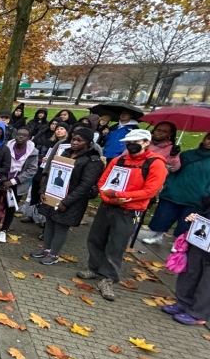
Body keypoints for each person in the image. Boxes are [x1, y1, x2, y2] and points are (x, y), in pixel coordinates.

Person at [78, 129, 167, 301]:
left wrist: (120, 196)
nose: (130, 145)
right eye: (128, 142)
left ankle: (108, 278)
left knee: (116, 245)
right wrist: (106, 197)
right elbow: (103, 181)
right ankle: (94, 268)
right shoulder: (119, 160)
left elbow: (150, 190)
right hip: (107, 206)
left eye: (135, 141)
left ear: (146, 142)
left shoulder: (155, 164)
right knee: (96, 238)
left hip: (129, 210)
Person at [32, 128, 104, 265]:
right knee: (50, 223)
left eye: (79, 140)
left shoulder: (92, 160)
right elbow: (53, 173)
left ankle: (54, 254)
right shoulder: (65, 153)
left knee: (61, 227)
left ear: (88, 143)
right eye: (73, 139)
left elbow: (85, 185)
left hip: (72, 200)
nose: (75, 142)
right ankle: (46, 248)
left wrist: (66, 201)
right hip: (55, 194)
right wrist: (43, 191)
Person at [142, 132, 210, 246]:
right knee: (164, 215)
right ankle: (158, 236)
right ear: (204, 139)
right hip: (176, 190)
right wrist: (174, 155)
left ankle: (178, 243)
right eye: (208, 138)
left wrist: (206, 192)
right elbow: (174, 168)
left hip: (197, 195)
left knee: (186, 221)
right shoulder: (187, 155)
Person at [161, 204, 210, 325]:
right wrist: (194, 218)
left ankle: (199, 313)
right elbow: (204, 210)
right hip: (201, 241)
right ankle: (183, 303)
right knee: (190, 272)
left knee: (207, 282)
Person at [0, 127, 38, 243]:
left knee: (11, 208)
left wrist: (13, 181)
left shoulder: (33, 152)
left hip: (18, 183)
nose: (20, 137)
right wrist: (3, 180)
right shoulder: (6, 147)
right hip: (3, 181)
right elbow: (1, 165)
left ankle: (4, 230)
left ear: (29, 138)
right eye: (18, 134)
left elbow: (31, 170)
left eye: (24, 135)